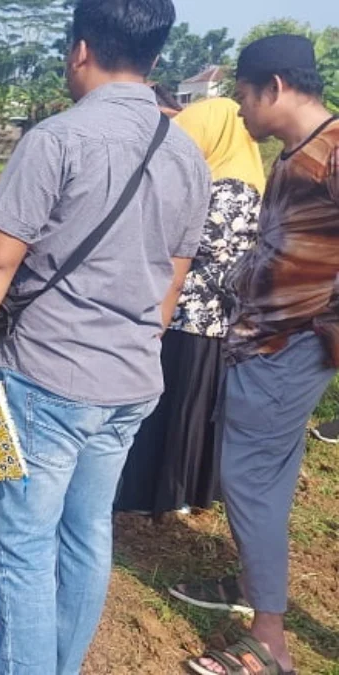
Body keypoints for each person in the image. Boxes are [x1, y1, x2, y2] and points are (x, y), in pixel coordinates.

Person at [0, 1, 210, 672]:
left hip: (47, 378)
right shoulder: (189, 156)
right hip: (132, 381)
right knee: (86, 532)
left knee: (22, 543)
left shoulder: (56, 138)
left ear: (80, 49)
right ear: (156, 56)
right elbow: (172, 280)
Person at [172, 35, 339, 675]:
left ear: (272, 88)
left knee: (251, 483)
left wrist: (321, 327)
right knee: (261, 477)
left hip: (288, 350)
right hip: (265, 345)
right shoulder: (296, 156)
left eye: (242, 95)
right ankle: (252, 589)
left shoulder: (331, 152)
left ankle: (269, 642)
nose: (239, 111)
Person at [116, 96, 265, 518]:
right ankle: (175, 493)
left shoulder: (228, 187)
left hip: (191, 317)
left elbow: (191, 245)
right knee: (188, 411)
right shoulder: (240, 173)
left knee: (176, 409)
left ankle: (160, 494)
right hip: (209, 319)